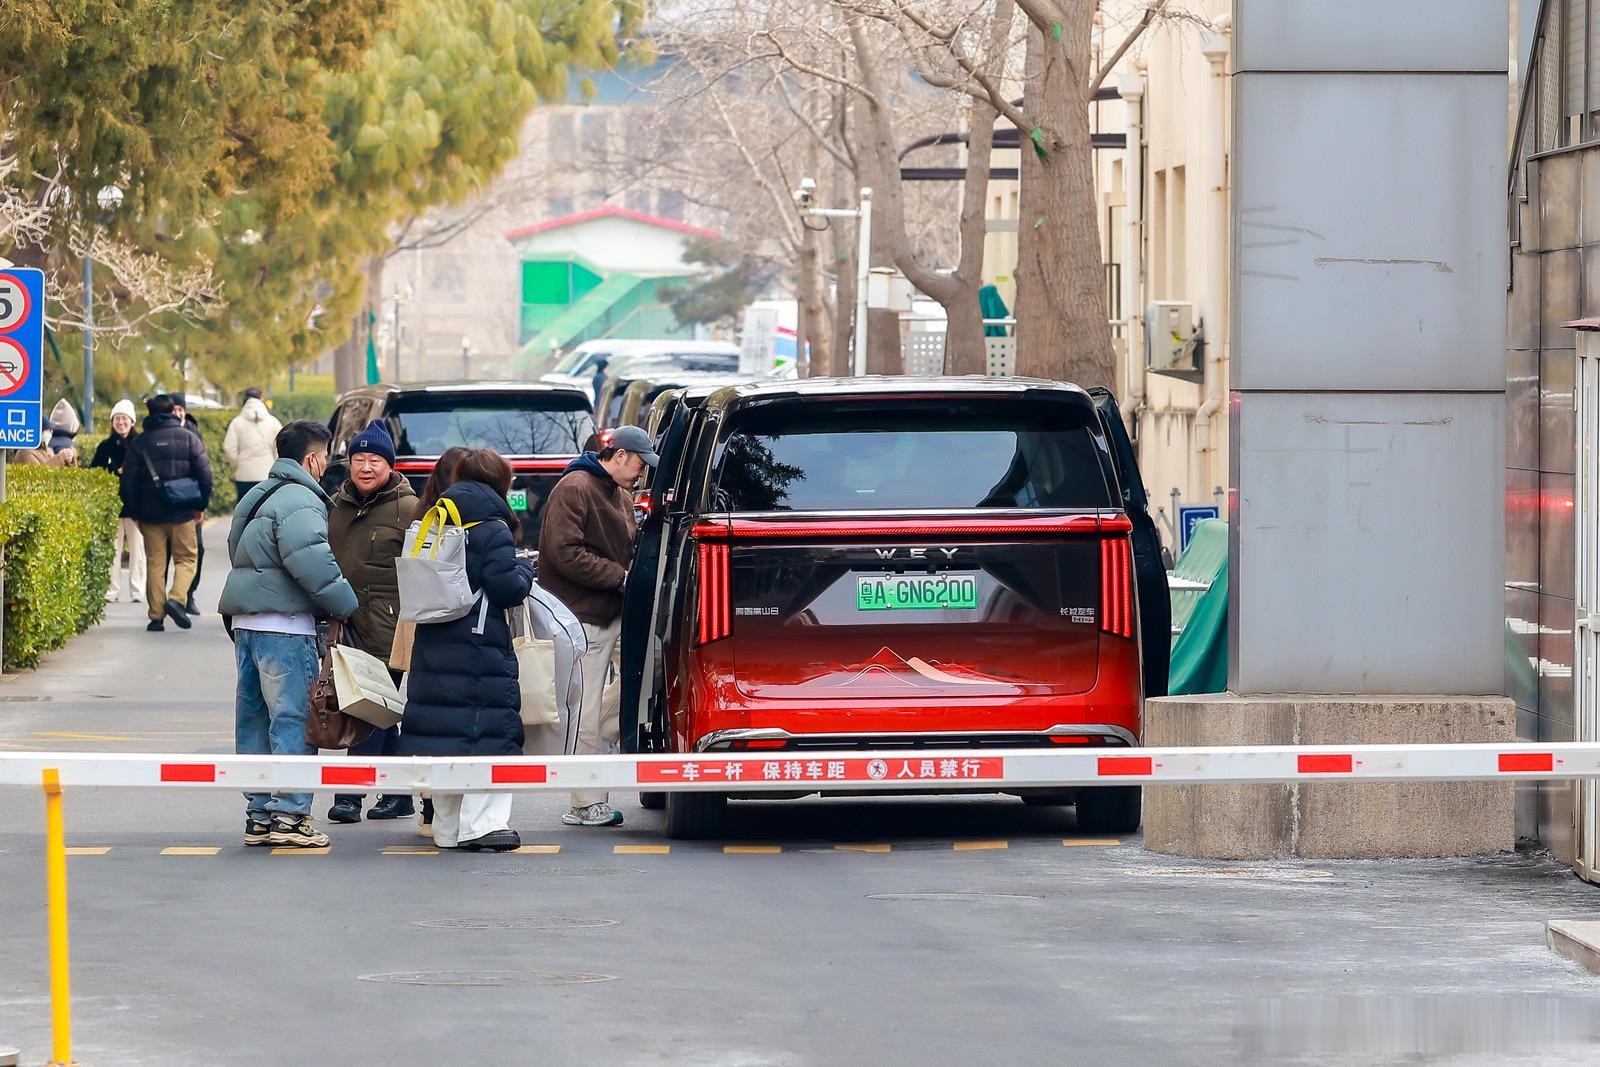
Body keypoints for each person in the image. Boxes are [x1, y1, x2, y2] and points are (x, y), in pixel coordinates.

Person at [220, 421, 358, 848]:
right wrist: (346, 606)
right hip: (285, 627)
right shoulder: (301, 499)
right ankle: (292, 817)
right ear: (313, 459)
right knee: (294, 721)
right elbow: (311, 563)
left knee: (254, 723)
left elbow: (236, 550)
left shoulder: (257, 494)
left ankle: (258, 815)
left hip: (246, 625)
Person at [399, 448, 534, 852]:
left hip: (434, 638)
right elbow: (505, 586)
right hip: (478, 644)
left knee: (444, 732)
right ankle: (484, 825)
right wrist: (525, 570)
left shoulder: (434, 516)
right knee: (486, 731)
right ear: (500, 482)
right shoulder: (492, 525)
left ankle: (448, 826)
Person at [537, 423, 654, 828]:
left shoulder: (617, 492)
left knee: (649, 677)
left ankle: (601, 740)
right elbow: (563, 551)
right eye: (640, 463)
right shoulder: (575, 487)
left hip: (613, 611)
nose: (642, 472)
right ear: (619, 455)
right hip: (583, 616)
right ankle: (586, 801)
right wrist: (620, 577)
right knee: (584, 710)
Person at [326, 420, 418, 824]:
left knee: (370, 711)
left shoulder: (409, 509)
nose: (365, 467)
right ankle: (398, 794)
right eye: (359, 459)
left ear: (390, 465)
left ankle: (350, 795)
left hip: (388, 628)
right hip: (344, 628)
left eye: (374, 460)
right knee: (381, 712)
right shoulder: (335, 505)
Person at [121, 394, 211, 633]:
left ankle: (156, 616)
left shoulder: (139, 442)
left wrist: (134, 512)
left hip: (150, 515)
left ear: (148, 414)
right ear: (172, 411)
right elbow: (204, 474)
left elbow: (127, 482)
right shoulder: (189, 438)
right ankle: (177, 598)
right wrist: (201, 505)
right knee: (187, 559)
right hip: (183, 511)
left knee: (155, 563)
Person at [91, 399, 146, 602]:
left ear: (132, 421)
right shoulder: (105, 446)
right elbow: (93, 472)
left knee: (138, 551)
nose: (120, 422)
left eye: (124, 418)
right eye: (117, 418)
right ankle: (111, 590)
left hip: (136, 507)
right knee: (112, 550)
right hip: (113, 506)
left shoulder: (141, 443)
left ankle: (137, 591)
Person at [169, 394, 206, 616]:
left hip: (190, 501)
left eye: (181, 409)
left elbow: (203, 469)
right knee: (164, 553)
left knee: (196, 550)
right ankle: (167, 600)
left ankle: (188, 595)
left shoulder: (194, 431)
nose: (178, 413)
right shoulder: (157, 434)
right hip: (166, 503)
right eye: (174, 409)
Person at [224, 388, 283, 501]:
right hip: (268, 474)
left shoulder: (237, 422)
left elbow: (229, 448)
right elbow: (281, 446)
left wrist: (237, 465)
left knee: (244, 513)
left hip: (244, 475)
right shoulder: (273, 422)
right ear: (261, 399)